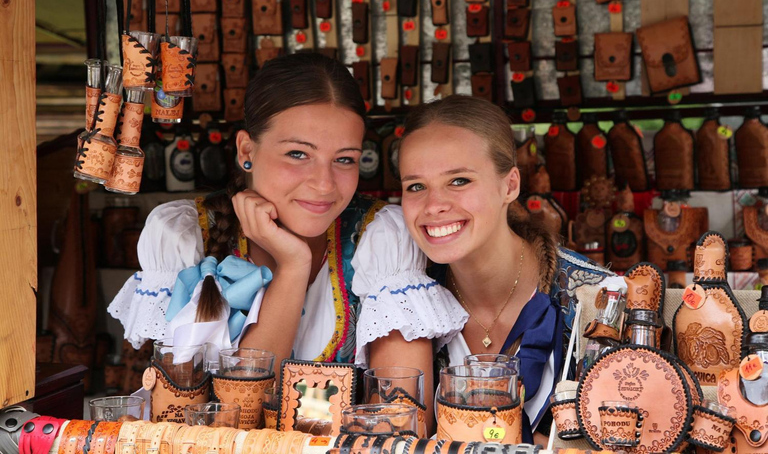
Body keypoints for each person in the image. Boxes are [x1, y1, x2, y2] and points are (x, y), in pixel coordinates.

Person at [108, 54, 464, 398]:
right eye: (298, 154)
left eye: (344, 159)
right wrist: (293, 267)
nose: (324, 184)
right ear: (246, 150)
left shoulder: (382, 238)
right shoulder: (184, 237)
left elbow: (403, 417)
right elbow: (193, 413)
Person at [396, 95, 612, 444]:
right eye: (416, 186)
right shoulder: (404, 303)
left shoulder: (596, 298)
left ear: (509, 186)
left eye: (459, 180)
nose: (434, 205)